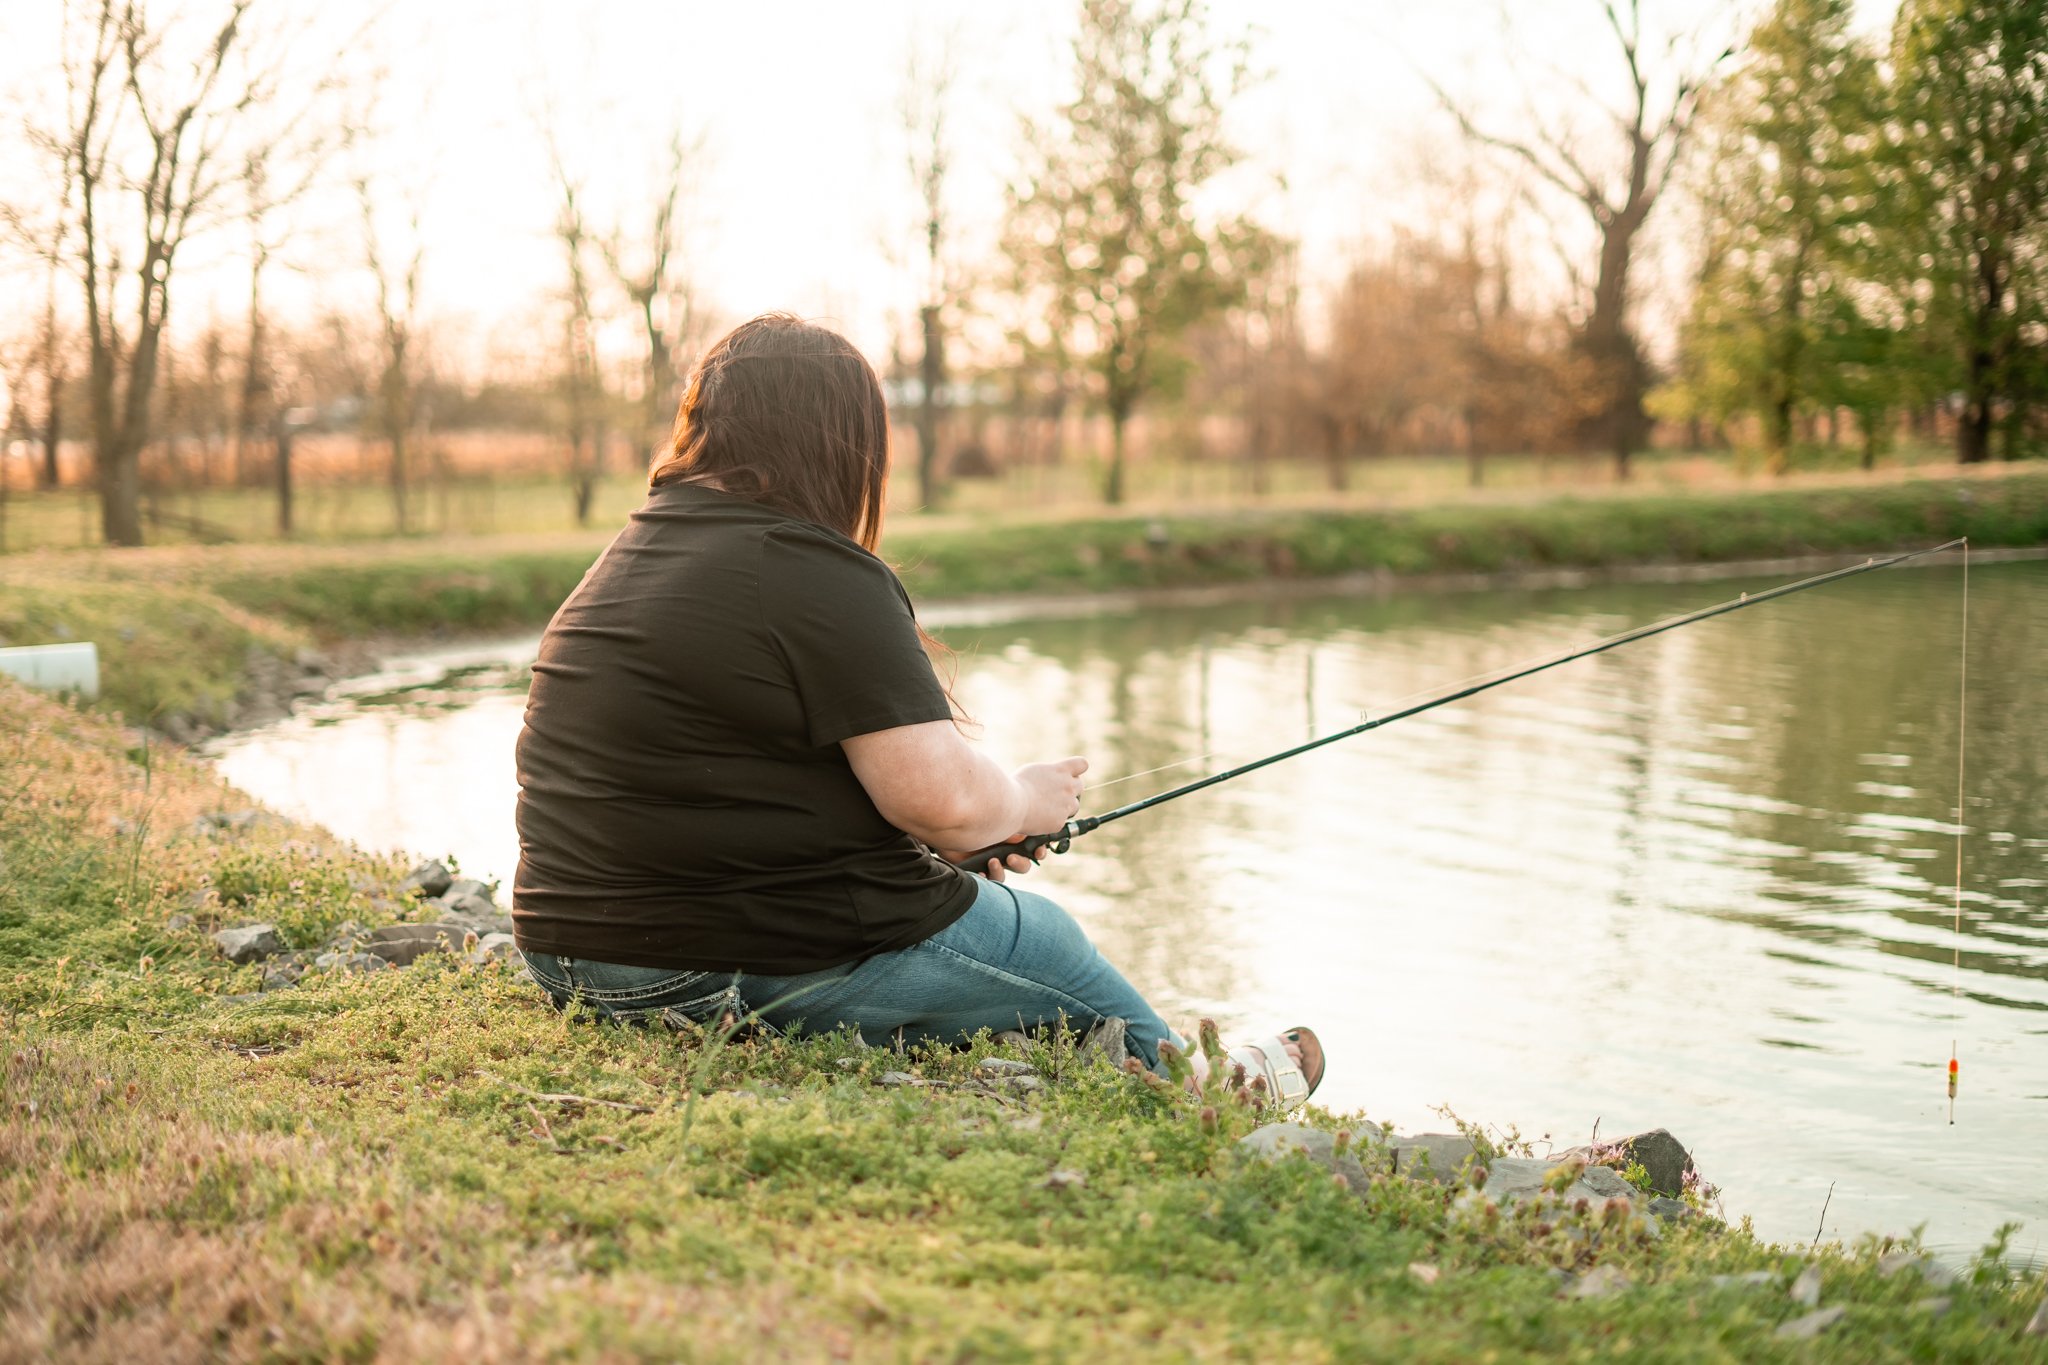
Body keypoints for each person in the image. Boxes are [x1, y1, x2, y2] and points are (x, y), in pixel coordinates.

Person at [511, 313, 1322, 1101]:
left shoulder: (635, 550)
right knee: (1047, 940)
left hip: (564, 955)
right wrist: (1020, 800)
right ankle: (1208, 1094)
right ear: (840, 437)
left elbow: (736, 781)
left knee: (965, 906)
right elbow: (939, 795)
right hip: (690, 974)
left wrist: (954, 846)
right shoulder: (811, 566)